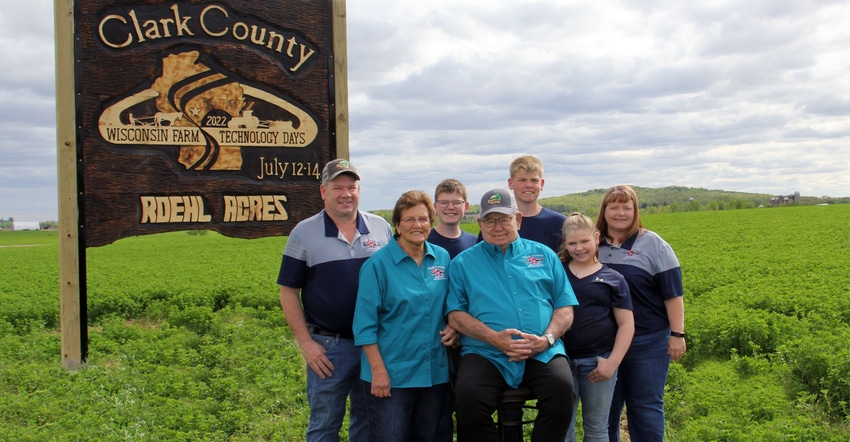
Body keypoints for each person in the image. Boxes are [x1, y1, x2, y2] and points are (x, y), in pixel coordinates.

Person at [447, 187, 578, 441]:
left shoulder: (544, 255)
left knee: (562, 391)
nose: (497, 227)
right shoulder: (462, 263)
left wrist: (547, 339)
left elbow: (564, 307)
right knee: (468, 399)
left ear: (517, 219)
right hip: (486, 352)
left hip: (541, 350)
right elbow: (455, 314)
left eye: (504, 219)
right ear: (479, 223)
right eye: (490, 220)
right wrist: (494, 338)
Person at [277, 158, 394, 442]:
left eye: (351, 187)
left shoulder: (381, 229)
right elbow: (288, 292)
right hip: (329, 348)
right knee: (325, 424)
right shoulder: (304, 233)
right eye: (337, 187)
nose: (346, 194)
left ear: (359, 190)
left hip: (374, 346)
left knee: (369, 422)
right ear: (323, 191)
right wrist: (307, 344)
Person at [353, 190, 458, 442]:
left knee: (431, 436)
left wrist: (454, 325)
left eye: (423, 219)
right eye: (409, 219)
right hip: (392, 375)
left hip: (435, 372)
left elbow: (453, 304)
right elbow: (364, 326)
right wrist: (378, 372)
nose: (417, 225)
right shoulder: (377, 266)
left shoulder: (442, 258)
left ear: (431, 223)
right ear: (397, 225)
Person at [595, 185, 686, 442]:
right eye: (614, 207)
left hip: (647, 341)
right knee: (605, 411)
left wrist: (677, 334)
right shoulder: (592, 243)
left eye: (627, 207)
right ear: (604, 211)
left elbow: (673, 294)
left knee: (644, 407)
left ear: (636, 211)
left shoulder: (653, 244)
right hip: (604, 343)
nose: (620, 213)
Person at [559, 213, 634, 442]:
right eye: (572, 243)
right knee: (563, 428)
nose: (579, 248)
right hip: (562, 363)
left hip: (598, 363)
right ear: (565, 244)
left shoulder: (613, 278)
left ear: (596, 238)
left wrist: (612, 362)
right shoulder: (558, 273)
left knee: (597, 429)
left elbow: (626, 324)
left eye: (584, 241)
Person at [508, 155, 568, 252]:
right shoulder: (500, 224)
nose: (528, 185)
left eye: (534, 180)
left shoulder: (560, 223)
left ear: (542, 184)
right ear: (510, 183)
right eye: (522, 180)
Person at [427, 178, 477, 259]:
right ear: (435, 207)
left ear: (466, 207)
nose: (450, 207)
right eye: (444, 202)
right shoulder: (424, 242)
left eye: (457, 202)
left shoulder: (475, 243)